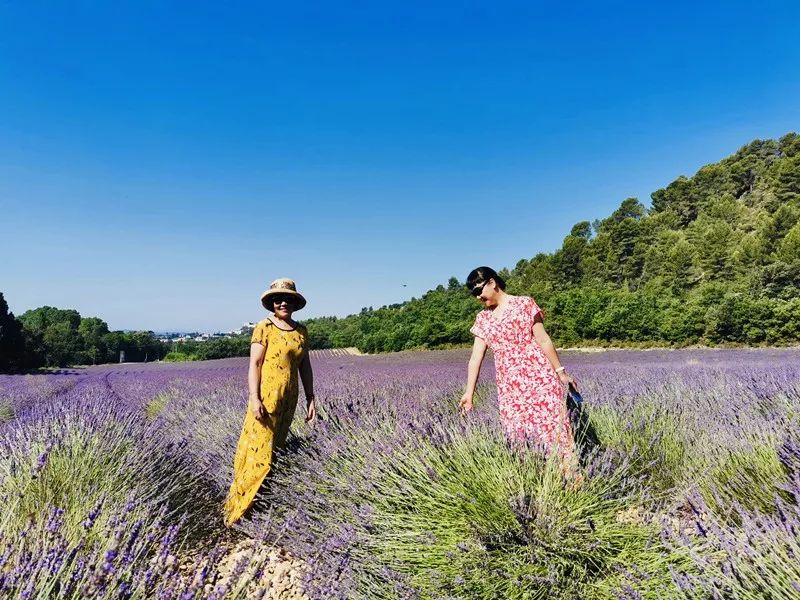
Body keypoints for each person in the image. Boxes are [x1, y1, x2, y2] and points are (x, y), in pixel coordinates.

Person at [459, 266, 578, 469]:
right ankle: (537, 484)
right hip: (510, 388)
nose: (477, 297)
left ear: (492, 282)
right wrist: (469, 394)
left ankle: (571, 483)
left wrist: (561, 373)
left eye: (479, 290)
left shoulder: (524, 304)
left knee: (555, 430)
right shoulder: (483, 319)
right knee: (519, 436)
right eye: (473, 294)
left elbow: (543, 340)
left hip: (540, 378)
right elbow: (475, 359)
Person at [224, 278, 316, 527]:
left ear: (295, 303)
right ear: (271, 303)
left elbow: (304, 366)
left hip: (289, 400)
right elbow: (254, 365)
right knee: (257, 454)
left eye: (288, 299)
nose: (283, 302)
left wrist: (310, 398)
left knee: (274, 452)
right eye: (278, 299)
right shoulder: (263, 327)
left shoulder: (301, 332)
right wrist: (255, 399)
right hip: (266, 398)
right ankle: (236, 513)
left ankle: (258, 508)